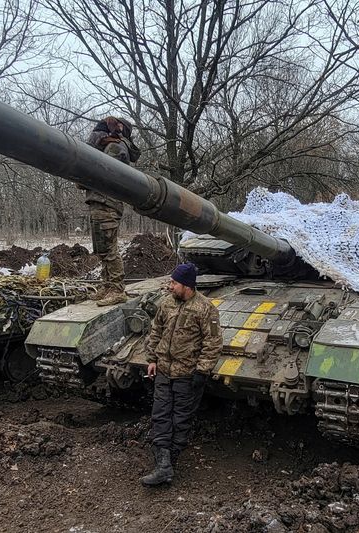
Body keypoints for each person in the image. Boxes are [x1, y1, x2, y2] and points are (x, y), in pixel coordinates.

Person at [140, 262, 222, 486]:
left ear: (186, 285)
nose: (170, 286)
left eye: (174, 283)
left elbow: (213, 342)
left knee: (181, 419)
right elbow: (156, 331)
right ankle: (163, 465)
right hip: (164, 370)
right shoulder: (167, 303)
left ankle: (169, 462)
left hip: (187, 374)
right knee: (160, 415)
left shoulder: (205, 308)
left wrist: (202, 371)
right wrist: (152, 359)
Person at [84, 116, 140, 307]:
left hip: (107, 202)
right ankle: (107, 285)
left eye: (117, 125)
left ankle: (116, 289)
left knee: (109, 248)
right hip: (99, 201)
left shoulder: (117, 147)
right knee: (101, 249)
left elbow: (105, 172)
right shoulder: (108, 145)